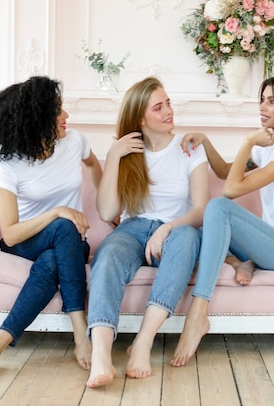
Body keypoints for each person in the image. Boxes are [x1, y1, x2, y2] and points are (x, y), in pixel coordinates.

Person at [171, 73, 274, 367]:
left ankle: (197, 312)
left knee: (217, 208)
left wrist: (246, 142)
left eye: (271, 102)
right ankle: (243, 262)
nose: (263, 107)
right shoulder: (268, 150)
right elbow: (225, 172)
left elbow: (230, 190)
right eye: (262, 100)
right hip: (273, 246)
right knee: (201, 229)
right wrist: (205, 142)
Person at [0, 76, 102, 380]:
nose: (66, 117)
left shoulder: (75, 141)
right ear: (37, 119)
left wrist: (106, 208)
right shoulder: (10, 163)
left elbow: (93, 166)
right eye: (58, 111)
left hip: (69, 244)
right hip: (24, 243)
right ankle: (80, 329)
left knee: (55, 256)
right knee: (64, 224)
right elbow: (10, 233)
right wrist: (56, 212)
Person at [86, 76, 209, 388]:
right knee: (110, 252)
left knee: (186, 238)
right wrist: (113, 155)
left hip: (177, 230)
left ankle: (142, 342)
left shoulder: (189, 149)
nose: (169, 111)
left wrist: (167, 227)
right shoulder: (127, 153)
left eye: (168, 103)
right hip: (133, 230)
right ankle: (101, 353)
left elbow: (201, 210)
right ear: (141, 117)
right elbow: (107, 213)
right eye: (159, 107)